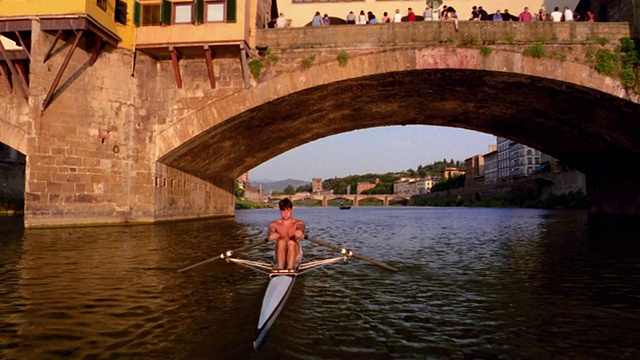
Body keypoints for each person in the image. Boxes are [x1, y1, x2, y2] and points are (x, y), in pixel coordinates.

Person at [268, 198, 306, 270]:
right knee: (281, 242)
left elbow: (301, 226)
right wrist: (271, 233)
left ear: (291, 210)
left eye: (288, 210)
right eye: (283, 210)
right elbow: (271, 229)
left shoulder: (298, 223)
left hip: (295, 254)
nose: (285, 213)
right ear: (280, 211)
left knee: (291, 242)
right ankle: (280, 267)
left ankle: (290, 268)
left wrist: (300, 231)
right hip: (280, 255)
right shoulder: (274, 224)